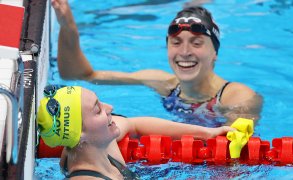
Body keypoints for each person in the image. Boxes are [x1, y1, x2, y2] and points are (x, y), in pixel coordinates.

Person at [51, 0, 262, 126]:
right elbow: (78, 75)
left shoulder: (237, 97)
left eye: (196, 43)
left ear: (215, 52)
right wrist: (68, 27)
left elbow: (235, 159)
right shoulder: (163, 83)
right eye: (176, 43)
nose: (185, 52)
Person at [36, 85, 234, 179]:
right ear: (81, 135)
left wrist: (208, 134)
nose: (109, 107)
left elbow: (134, 125)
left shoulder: (100, 144)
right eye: (98, 110)